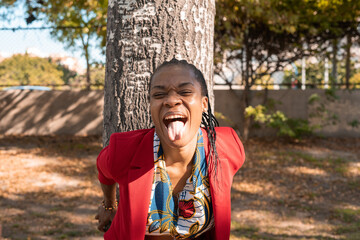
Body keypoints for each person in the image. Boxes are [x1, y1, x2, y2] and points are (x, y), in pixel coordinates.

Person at [95, 59, 245, 239]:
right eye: (159, 95)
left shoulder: (228, 148)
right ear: (150, 106)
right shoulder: (125, 151)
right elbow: (104, 171)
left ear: (204, 104)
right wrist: (109, 205)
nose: (171, 100)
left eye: (185, 92)